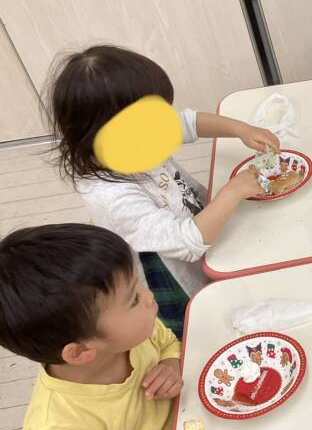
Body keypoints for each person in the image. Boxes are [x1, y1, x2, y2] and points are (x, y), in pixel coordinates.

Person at [47, 45, 277, 336]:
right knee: (204, 324)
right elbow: (186, 243)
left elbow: (187, 122)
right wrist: (232, 192)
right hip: (174, 267)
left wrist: (240, 129)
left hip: (203, 230)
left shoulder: (136, 136)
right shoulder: (112, 196)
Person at [0, 224, 212, 430]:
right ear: (82, 351)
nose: (150, 296)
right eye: (133, 299)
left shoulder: (129, 337)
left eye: (137, 285)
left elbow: (167, 341)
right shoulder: (58, 427)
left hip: (185, 429)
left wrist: (170, 362)